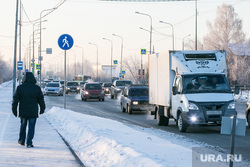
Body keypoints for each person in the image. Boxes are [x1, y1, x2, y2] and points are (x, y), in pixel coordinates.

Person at [12, 72, 45, 148]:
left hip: (23, 111)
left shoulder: (20, 88)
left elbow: (15, 100)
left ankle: (22, 140)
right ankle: (29, 142)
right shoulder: (37, 88)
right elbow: (41, 100)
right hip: (33, 111)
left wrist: (14, 109)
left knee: (23, 126)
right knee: (31, 127)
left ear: (24, 79)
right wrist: (42, 109)